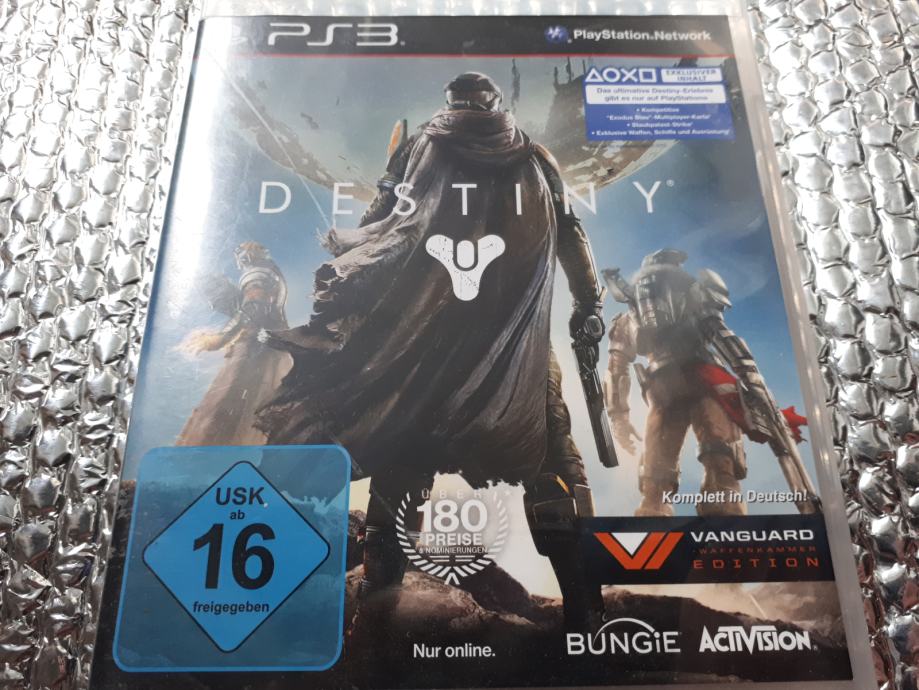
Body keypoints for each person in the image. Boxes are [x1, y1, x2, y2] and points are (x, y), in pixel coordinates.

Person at [258, 72, 608, 629]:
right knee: (552, 462)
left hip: (426, 342)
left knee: (401, 467)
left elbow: (379, 228)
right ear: (496, 104)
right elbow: (571, 232)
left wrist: (351, 284)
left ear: (451, 103)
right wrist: (588, 303)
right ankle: (586, 611)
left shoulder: (419, 148)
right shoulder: (536, 158)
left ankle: (378, 605)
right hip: (517, 343)